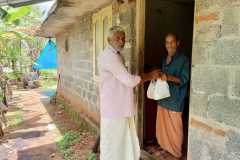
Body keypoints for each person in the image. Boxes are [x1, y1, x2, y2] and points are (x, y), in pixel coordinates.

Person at [98, 26, 161, 160]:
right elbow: (129, 81)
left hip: (118, 107)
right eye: (117, 38)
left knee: (120, 143)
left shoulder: (116, 55)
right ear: (108, 40)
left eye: (123, 38)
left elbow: (123, 78)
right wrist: (149, 76)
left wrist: (143, 76)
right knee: (113, 145)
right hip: (114, 109)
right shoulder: (110, 57)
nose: (121, 41)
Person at [155, 33, 190, 159]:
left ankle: (176, 153)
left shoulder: (183, 59)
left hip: (176, 99)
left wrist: (168, 77)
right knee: (163, 126)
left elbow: (184, 79)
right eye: (167, 42)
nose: (169, 45)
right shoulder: (165, 59)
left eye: (172, 42)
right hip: (164, 97)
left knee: (175, 128)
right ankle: (165, 147)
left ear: (178, 43)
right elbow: (163, 75)